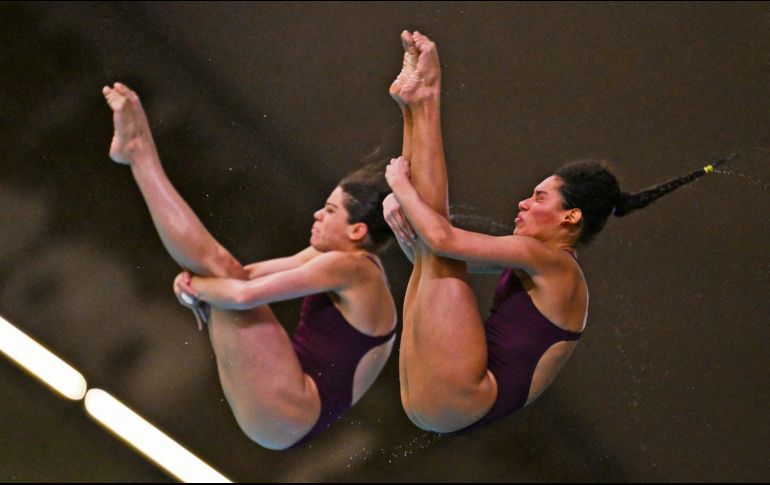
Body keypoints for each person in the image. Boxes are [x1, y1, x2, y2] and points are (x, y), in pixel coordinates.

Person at [383, 31, 730, 433]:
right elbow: (434, 256)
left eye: (539, 197)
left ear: (570, 217)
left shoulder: (551, 261)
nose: (523, 204)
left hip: (463, 394)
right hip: (446, 404)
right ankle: (414, 106)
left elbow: (443, 240)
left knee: (438, 249)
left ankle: (426, 96)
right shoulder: (542, 268)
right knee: (434, 257)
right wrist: (410, 222)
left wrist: (403, 188)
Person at [102, 82, 397, 450]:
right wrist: (200, 285)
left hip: (289, 411)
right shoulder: (340, 260)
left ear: (357, 230)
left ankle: (139, 154)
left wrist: (198, 287)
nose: (317, 214)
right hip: (285, 415)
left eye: (331, 211)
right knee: (219, 267)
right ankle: (138, 152)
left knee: (219, 268)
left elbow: (241, 294)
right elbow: (245, 277)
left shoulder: (355, 269)